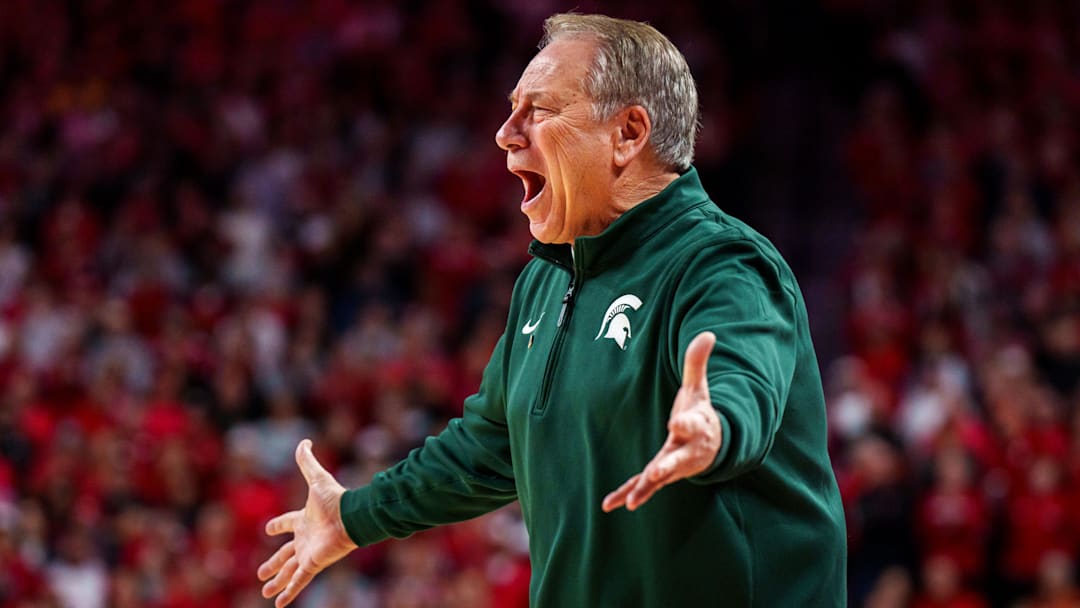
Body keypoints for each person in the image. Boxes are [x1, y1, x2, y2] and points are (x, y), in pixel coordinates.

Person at [257, 13, 847, 607]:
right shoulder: (547, 275)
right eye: (512, 109)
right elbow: (489, 448)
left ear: (628, 133)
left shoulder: (722, 263)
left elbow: (740, 384)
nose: (505, 134)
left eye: (537, 111)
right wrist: (353, 517)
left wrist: (714, 425)